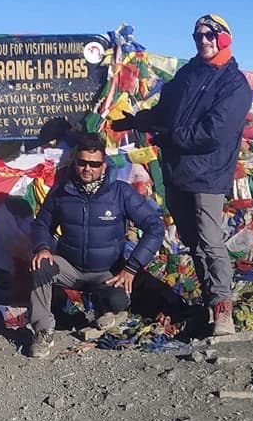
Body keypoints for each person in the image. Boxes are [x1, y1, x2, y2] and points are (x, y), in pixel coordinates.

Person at [111, 14, 252, 336]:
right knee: (193, 242)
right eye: (197, 35)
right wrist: (136, 121)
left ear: (225, 38)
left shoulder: (234, 84)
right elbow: (167, 112)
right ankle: (208, 304)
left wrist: (170, 136)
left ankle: (223, 309)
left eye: (209, 35)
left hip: (208, 174)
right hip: (176, 171)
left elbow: (213, 132)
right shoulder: (188, 73)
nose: (203, 40)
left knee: (210, 240)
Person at [27, 134, 165, 358]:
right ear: (75, 163)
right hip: (70, 268)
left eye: (94, 164)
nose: (87, 168)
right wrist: (42, 247)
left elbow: (155, 227)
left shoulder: (121, 192)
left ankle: (106, 310)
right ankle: (43, 330)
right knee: (40, 266)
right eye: (82, 163)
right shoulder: (62, 192)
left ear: (104, 165)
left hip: (106, 272)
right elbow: (42, 224)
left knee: (118, 300)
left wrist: (131, 268)